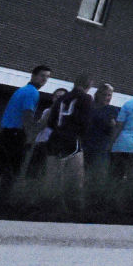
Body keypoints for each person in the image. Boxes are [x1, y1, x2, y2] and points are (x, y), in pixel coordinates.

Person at [0, 64, 50, 215]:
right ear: (33, 75)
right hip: (15, 134)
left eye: (47, 77)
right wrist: (34, 132)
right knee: (12, 171)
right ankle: (2, 205)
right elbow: (27, 116)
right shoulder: (32, 93)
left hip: (6, 133)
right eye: (42, 76)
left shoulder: (20, 91)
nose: (44, 80)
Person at [45, 74, 94, 211]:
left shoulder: (61, 99)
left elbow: (51, 121)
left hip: (55, 139)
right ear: (88, 85)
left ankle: (49, 207)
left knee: (54, 179)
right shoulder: (86, 98)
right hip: (71, 140)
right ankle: (74, 211)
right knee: (75, 179)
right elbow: (85, 122)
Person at [82, 82, 117, 178]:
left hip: (101, 148)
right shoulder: (89, 107)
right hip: (85, 145)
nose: (106, 97)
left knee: (97, 175)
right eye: (104, 94)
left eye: (109, 95)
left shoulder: (112, 110)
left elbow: (115, 130)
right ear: (98, 94)